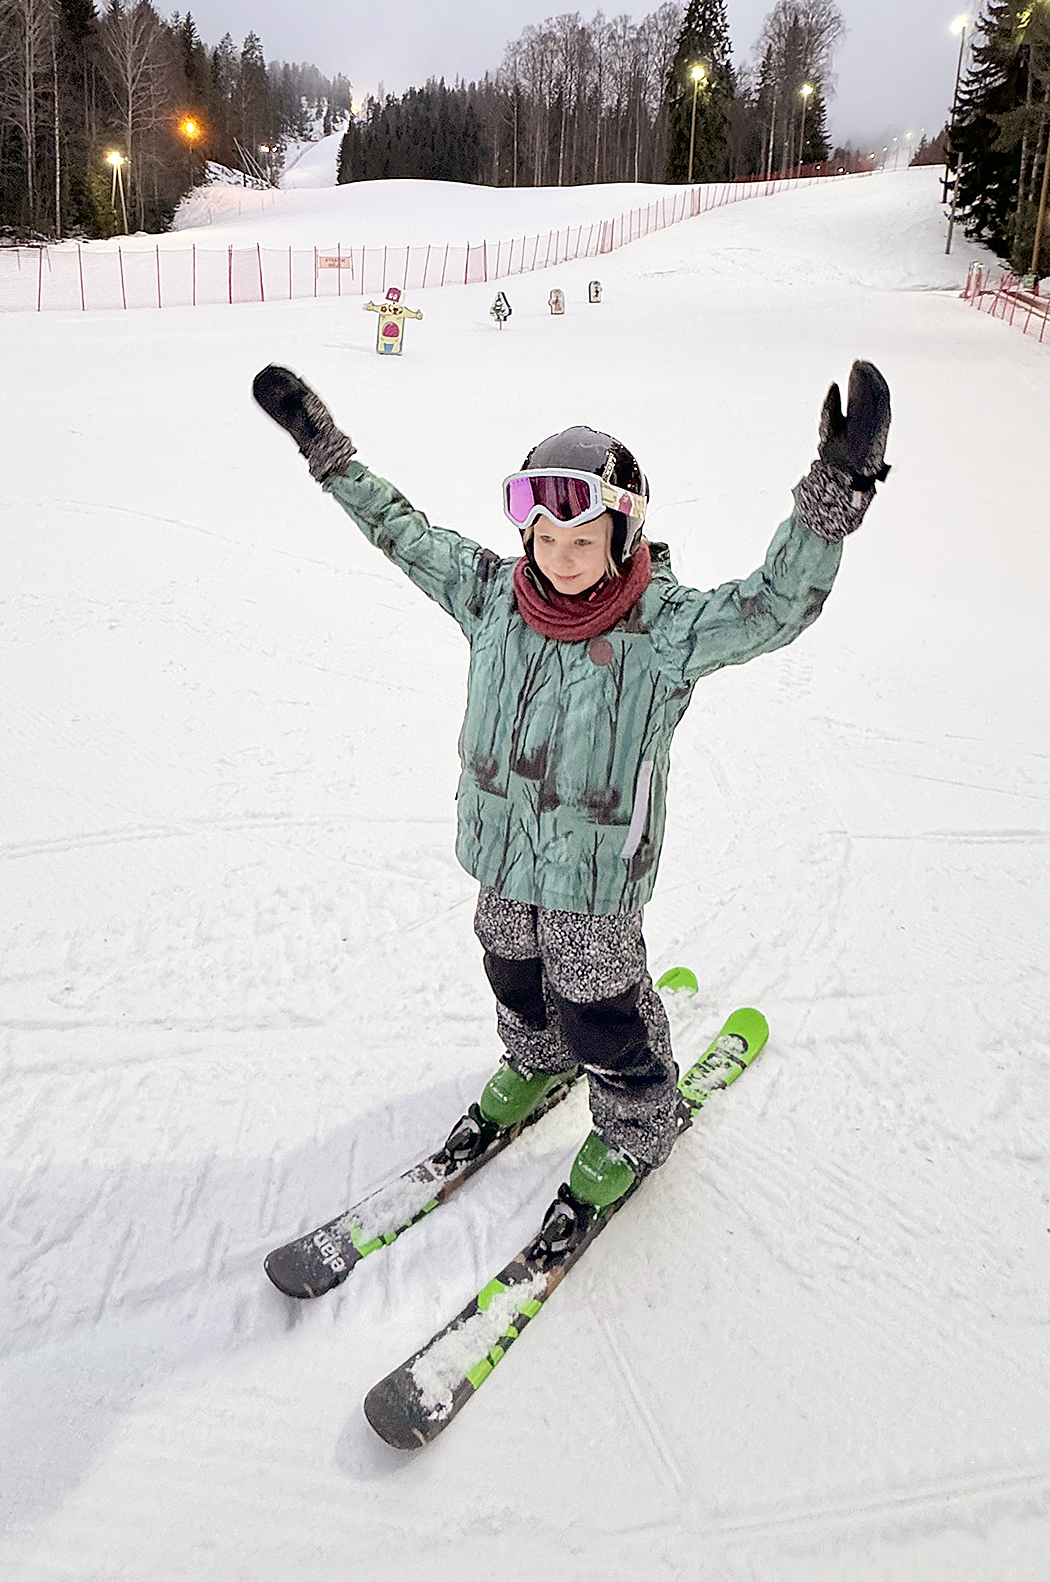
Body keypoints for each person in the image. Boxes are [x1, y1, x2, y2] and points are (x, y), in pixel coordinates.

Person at [252, 361, 891, 1240]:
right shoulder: (493, 599)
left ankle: (637, 1122)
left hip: (595, 878)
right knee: (509, 959)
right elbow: (402, 533)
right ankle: (536, 1057)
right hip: (504, 852)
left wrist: (834, 494)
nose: (559, 561)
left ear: (624, 541)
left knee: (599, 1001)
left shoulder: (663, 632)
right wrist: (329, 455)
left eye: (583, 543)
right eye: (546, 541)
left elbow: (777, 605)